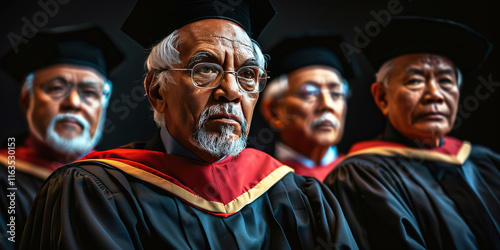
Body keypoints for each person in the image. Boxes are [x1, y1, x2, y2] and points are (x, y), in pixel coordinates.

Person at [20, 0, 358, 249]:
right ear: (156, 91)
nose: (231, 92)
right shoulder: (95, 192)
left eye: (248, 75)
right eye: (206, 69)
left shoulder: (296, 195)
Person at [324, 16, 500, 249]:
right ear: (382, 97)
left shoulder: (487, 164)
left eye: (446, 81)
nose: (435, 94)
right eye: (415, 81)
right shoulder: (361, 177)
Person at [0, 25, 123, 248]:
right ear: (27, 100)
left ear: (103, 106)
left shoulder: (123, 179)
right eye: (56, 88)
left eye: (89, 93)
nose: (73, 103)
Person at [260, 34, 357, 181]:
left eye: (336, 94)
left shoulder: (364, 175)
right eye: (310, 93)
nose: (327, 104)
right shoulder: (259, 184)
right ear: (274, 112)